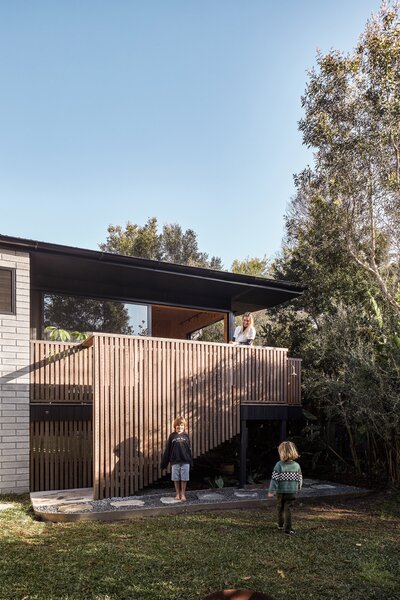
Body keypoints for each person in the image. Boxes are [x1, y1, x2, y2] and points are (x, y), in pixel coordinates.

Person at [267, 441, 302, 535]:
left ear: (282, 453)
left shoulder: (279, 465)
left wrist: (271, 491)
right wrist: (299, 487)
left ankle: (281, 525)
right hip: (291, 492)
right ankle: (287, 528)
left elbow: (274, 479)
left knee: (280, 507)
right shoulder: (296, 466)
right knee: (288, 509)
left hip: (280, 492)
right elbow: (299, 478)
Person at [161, 416, 193, 501]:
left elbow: (189, 450)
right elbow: (168, 450)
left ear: (184, 426)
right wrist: (164, 463)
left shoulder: (186, 436)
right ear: (175, 426)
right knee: (175, 478)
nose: (180, 427)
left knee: (184, 478)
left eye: (181, 425)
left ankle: (183, 494)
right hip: (175, 461)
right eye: (178, 425)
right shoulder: (172, 436)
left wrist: (191, 462)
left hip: (185, 461)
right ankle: (177, 494)